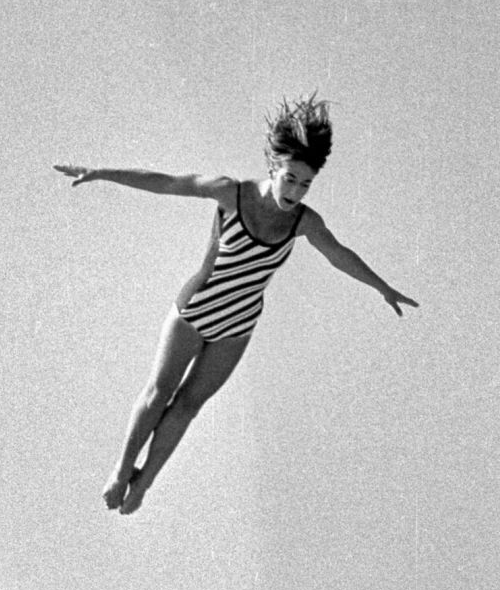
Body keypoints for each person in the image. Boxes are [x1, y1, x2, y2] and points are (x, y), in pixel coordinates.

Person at [55, 93, 418, 516]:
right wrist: (101, 173)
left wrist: (382, 287)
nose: (296, 191)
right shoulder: (232, 193)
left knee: (189, 406)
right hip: (195, 308)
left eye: (305, 184)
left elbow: (338, 254)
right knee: (160, 393)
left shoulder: (304, 222)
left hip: (237, 324)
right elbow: (169, 182)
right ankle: (121, 471)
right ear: (273, 169)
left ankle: (143, 486)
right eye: (290, 179)